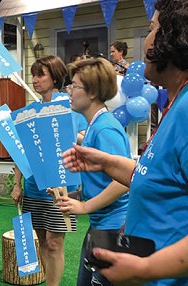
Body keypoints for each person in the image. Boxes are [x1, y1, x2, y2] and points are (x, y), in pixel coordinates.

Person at [61, 1, 188, 284]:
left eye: (152, 28)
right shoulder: (176, 103)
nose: (146, 40)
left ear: (174, 37)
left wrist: (146, 269)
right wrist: (106, 162)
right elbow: (156, 177)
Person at [11, 55, 87, 286]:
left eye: (40, 74)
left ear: (55, 76)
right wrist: (17, 184)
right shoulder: (29, 110)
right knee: (42, 240)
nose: (34, 79)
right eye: (33, 74)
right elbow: (20, 151)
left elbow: (85, 140)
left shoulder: (72, 108)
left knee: (55, 242)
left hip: (63, 187)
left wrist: (66, 135)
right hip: (34, 187)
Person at [56, 57, 131, 286]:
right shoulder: (93, 126)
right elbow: (101, 180)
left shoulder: (105, 128)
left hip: (112, 227)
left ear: (92, 92)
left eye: (75, 86)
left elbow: (123, 182)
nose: (69, 91)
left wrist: (84, 206)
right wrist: (74, 197)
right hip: (101, 224)